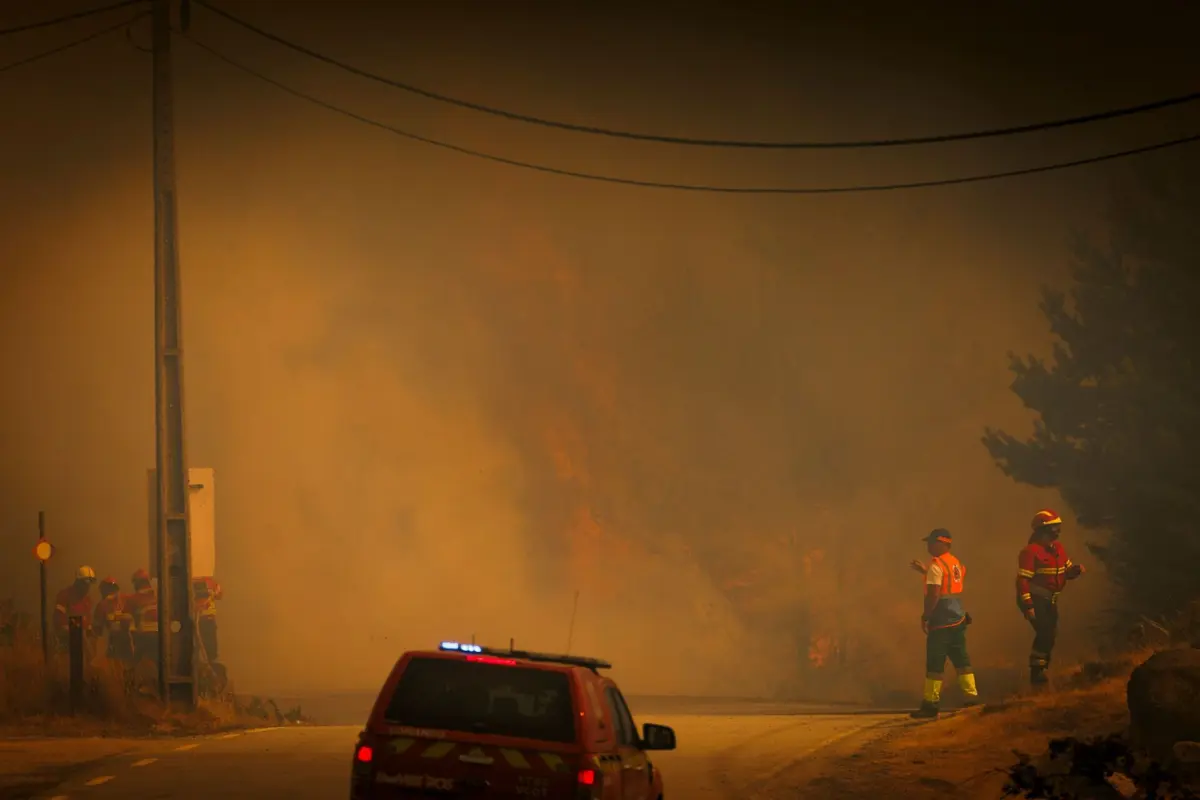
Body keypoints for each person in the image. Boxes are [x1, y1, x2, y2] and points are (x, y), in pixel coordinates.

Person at [911, 529, 979, 719]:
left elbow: (934, 594)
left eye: (931, 542)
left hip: (941, 619)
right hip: (958, 616)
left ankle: (930, 704)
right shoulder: (955, 562)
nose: (928, 546)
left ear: (941, 543)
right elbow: (949, 585)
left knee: (935, 662)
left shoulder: (936, 565)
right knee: (961, 659)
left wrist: (926, 616)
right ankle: (972, 698)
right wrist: (925, 572)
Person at [1017, 509, 1085, 687]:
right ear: (1042, 530)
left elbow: (1066, 572)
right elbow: (1023, 580)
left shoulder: (1058, 549)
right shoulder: (1030, 552)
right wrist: (1028, 605)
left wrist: (1075, 571)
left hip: (1051, 599)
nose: (1057, 532)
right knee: (1045, 632)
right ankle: (1037, 672)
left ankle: (1042, 668)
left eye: (1058, 527)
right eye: (1053, 528)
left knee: (1051, 633)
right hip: (1035, 599)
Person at [53, 566, 96, 651]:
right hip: (66, 636)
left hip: (82, 637)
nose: (87, 587)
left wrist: (90, 631)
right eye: (85, 584)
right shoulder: (65, 595)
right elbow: (58, 620)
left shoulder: (87, 600)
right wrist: (78, 628)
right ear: (78, 582)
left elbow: (88, 620)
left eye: (89, 585)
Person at [93, 577, 135, 664]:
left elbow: (97, 629)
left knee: (115, 664)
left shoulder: (102, 605)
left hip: (117, 640)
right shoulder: (126, 598)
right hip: (128, 639)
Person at [123, 568, 159, 665]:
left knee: (136, 663)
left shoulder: (132, 599)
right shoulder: (159, 596)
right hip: (160, 636)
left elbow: (125, 621)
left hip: (143, 637)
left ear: (137, 583)